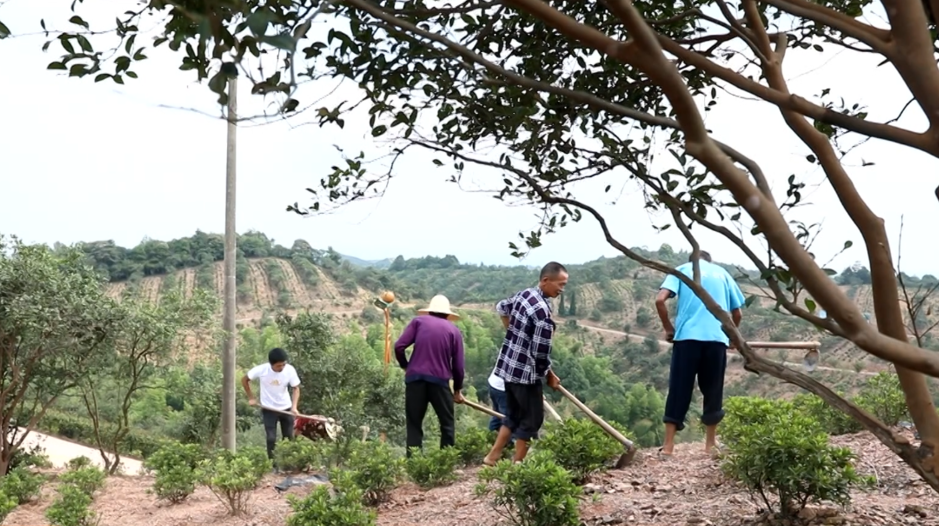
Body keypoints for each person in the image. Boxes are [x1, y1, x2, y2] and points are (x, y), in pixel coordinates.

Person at [654, 251, 745, 457]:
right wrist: (731, 337)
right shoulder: (723, 274)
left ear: (692, 262)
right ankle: (710, 445)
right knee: (713, 391)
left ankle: (668, 447)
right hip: (716, 340)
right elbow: (738, 313)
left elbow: (660, 300)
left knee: (679, 389)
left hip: (687, 339)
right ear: (709, 261)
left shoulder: (683, 270)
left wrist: (669, 328)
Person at [483, 262, 568, 466]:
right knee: (531, 421)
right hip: (525, 376)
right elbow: (541, 353)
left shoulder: (525, 295)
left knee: (512, 415)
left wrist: (513, 335)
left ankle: (492, 457)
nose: (562, 289)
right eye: (560, 284)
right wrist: (547, 375)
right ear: (546, 280)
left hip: (508, 369)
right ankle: (517, 466)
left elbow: (502, 307)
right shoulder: (542, 315)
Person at [394, 294, 466, 455]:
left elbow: (399, 346)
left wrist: (406, 366)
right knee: (447, 424)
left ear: (430, 311)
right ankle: (445, 460)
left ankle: (414, 464)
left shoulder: (418, 322)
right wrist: (457, 390)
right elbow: (459, 366)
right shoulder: (454, 331)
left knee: (414, 424)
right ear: (448, 314)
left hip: (415, 379)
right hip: (440, 382)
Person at [241, 347, 302, 462]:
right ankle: (272, 465)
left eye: (283, 365)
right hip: (268, 409)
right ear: (271, 364)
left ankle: (288, 463)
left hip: (286, 408)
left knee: (288, 438)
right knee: (271, 438)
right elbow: (244, 380)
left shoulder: (289, 370)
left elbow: (296, 388)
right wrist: (251, 398)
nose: (282, 368)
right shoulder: (262, 370)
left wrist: (294, 407)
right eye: (279, 366)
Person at [486, 364, 516, 447]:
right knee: (509, 420)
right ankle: (508, 447)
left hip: (494, 383)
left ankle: (489, 440)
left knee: (497, 415)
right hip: (504, 389)